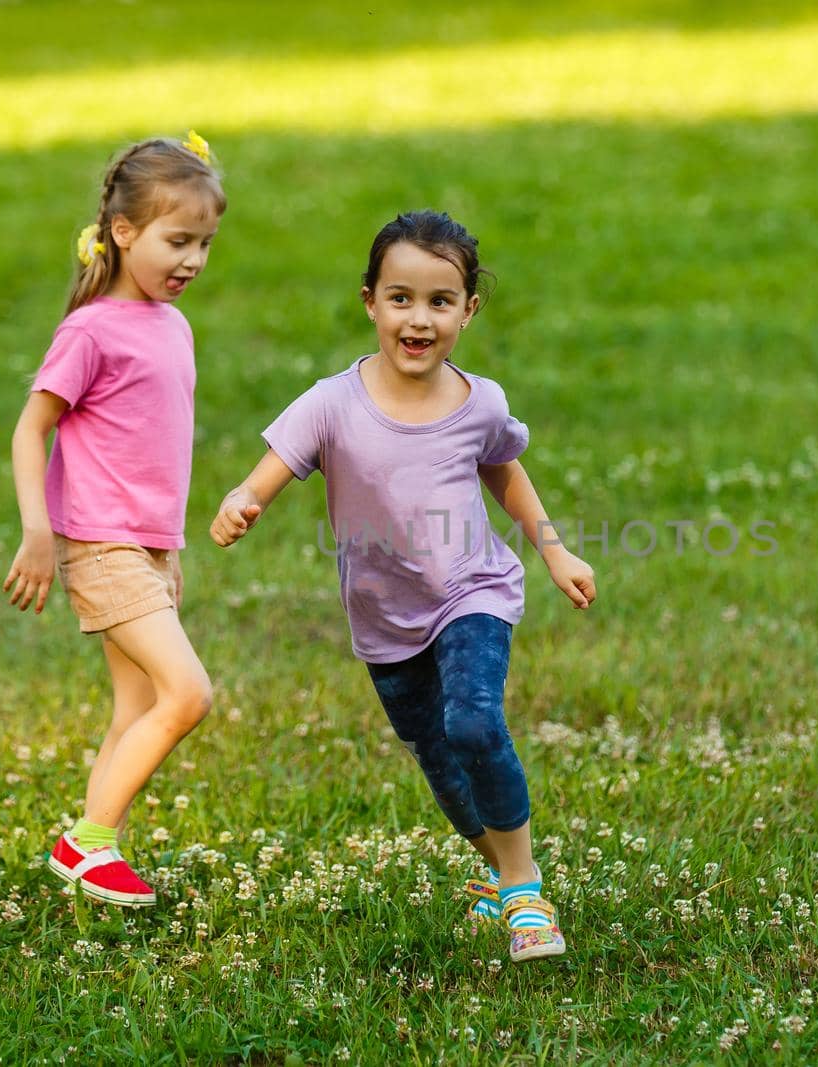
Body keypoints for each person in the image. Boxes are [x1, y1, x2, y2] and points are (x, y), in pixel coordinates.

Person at [211, 210, 596, 961]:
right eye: (400, 298)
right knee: (439, 759)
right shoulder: (331, 402)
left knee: (475, 724)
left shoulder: (478, 400)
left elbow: (504, 470)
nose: (419, 318)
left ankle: (524, 891)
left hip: (470, 591)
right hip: (384, 617)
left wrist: (555, 551)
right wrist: (242, 501)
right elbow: (271, 470)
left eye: (440, 301)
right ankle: (500, 872)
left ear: (469, 309)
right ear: (369, 301)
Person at [3, 132, 225, 908]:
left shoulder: (173, 325)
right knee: (188, 693)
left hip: (156, 548)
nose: (192, 259)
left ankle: (93, 862)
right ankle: (86, 840)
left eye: (204, 243)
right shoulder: (91, 329)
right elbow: (32, 427)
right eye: (177, 240)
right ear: (123, 232)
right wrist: (38, 530)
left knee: (136, 708)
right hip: (102, 546)